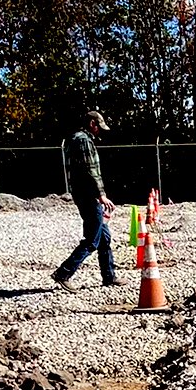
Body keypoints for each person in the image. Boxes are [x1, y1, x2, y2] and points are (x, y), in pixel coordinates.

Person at [53, 110, 119, 290]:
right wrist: (101, 195)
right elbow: (90, 170)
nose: (99, 131)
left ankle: (109, 276)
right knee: (92, 239)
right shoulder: (83, 140)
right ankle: (64, 273)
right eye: (99, 127)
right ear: (92, 123)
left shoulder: (74, 139)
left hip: (84, 193)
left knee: (104, 237)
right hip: (88, 195)